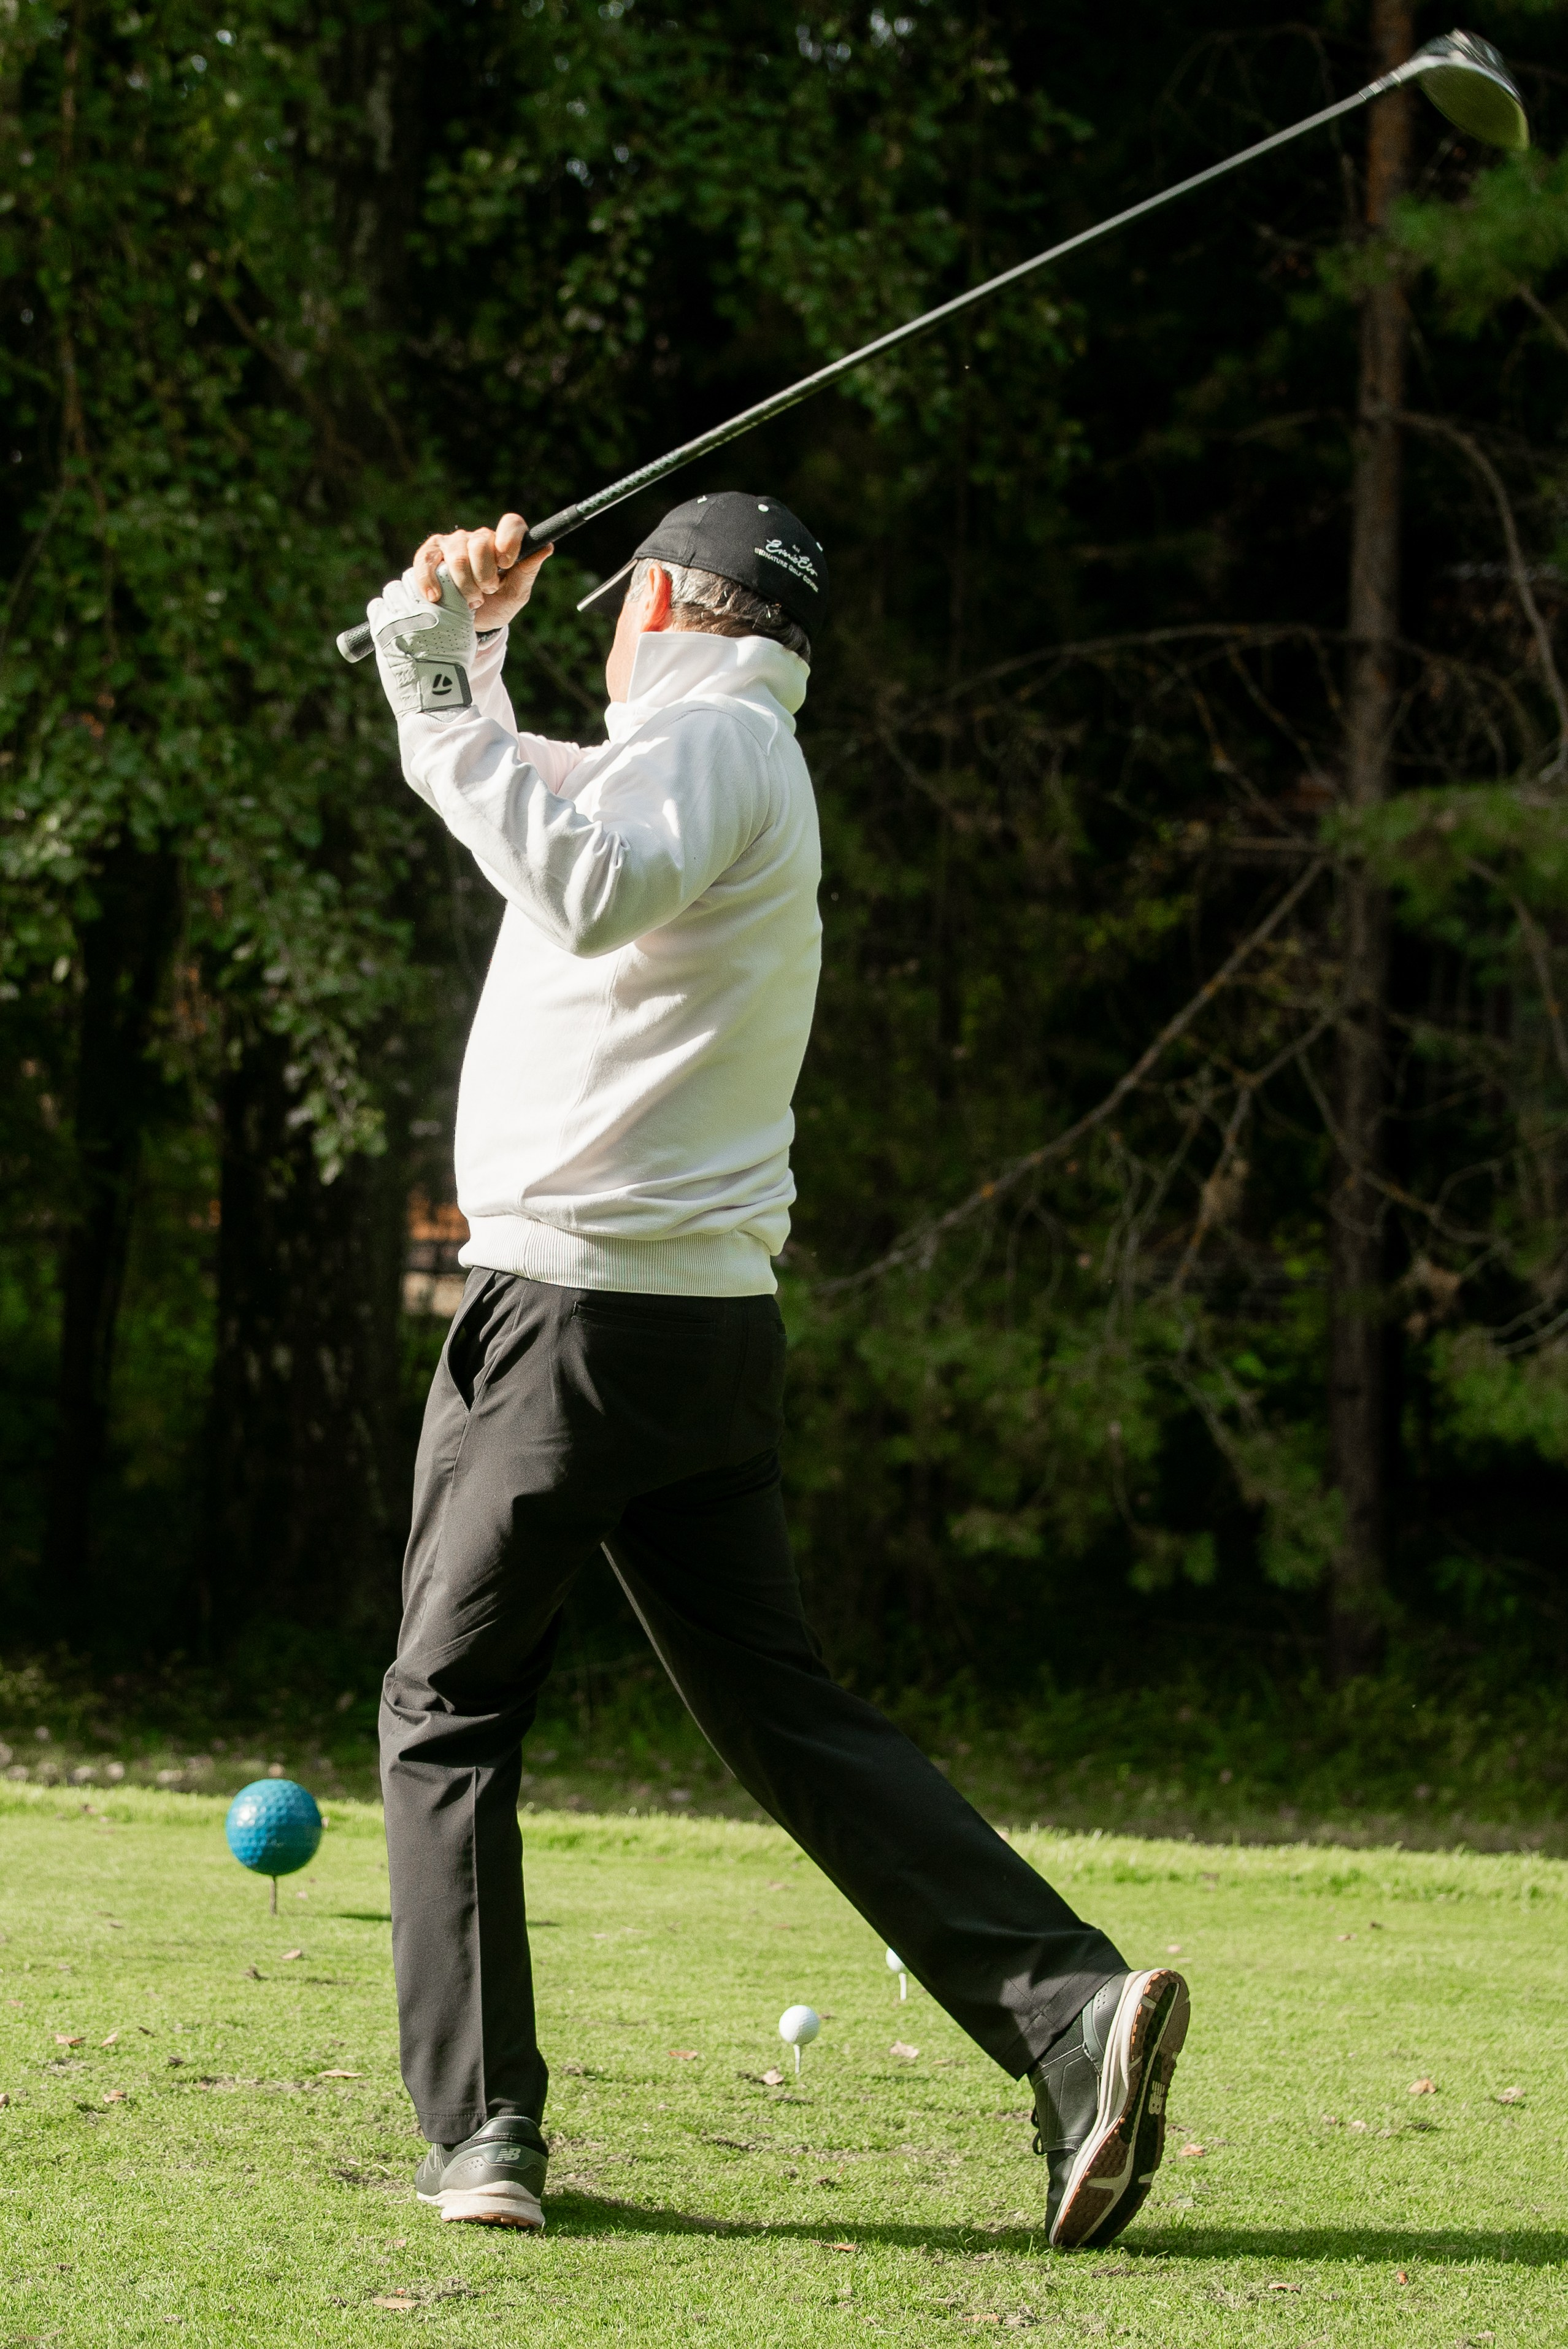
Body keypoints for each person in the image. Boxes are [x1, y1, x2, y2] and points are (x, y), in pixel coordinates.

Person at [366, 491, 1189, 2250]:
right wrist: (465, 650)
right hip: (693, 1336)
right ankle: (1065, 2014)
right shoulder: (730, 746)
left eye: (606, 608)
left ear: (661, 596)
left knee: (444, 1718)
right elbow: (552, 807)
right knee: (785, 1718)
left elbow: (576, 880)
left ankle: (482, 2135)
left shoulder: (709, 749)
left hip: (571, 1325)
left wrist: (436, 684)